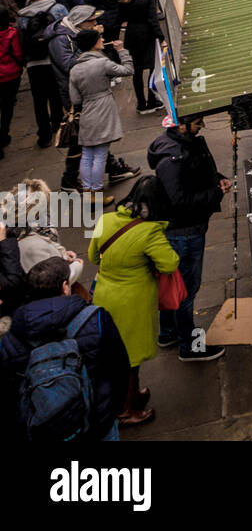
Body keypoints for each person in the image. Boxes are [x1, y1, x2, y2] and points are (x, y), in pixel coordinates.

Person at [0, 256, 130, 441]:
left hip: (45, 428)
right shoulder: (95, 319)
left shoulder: (12, 335)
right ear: (64, 287)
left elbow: (7, 390)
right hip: (97, 420)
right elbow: (118, 366)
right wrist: (112, 407)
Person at [87, 176, 180, 425]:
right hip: (132, 301)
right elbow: (170, 262)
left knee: (118, 355)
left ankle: (133, 395)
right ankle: (125, 410)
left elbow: (93, 256)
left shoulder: (106, 219)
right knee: (129, 358)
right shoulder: (150, 232)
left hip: (104, 295)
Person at [148, 116, 229, 362]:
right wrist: (215, 192)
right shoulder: (172, 158)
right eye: (196, 121)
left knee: (174, 284)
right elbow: (180, 200)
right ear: (180, 125)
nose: (202, 124)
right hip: (184, 231)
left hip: (185, 228)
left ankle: (169, 332)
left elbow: (197, 174)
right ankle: (189, 347)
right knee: (186, 290)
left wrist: (217, 179)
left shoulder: (183, 145)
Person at [70, 30, 133, 203]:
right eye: (100, 38)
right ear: (93, 43)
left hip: (87, 111)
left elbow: (75, 99)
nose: (103, 39)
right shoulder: (102, 63)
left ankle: (88, 191)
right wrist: (122, 51)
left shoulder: (75, 69)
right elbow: (128, 70)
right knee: (100, 154)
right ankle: (96, 193)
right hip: (104, 108)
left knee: (87, 153)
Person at [109, 0, 164, 115]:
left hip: (132, 36)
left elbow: (118, 20)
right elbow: (153, 20)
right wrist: (161, 38)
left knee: (137, 72)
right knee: (153, 68)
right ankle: (153, 101)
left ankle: (141, 103)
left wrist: (114, 38)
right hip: (147, 35)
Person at [17, 0, 66, 148]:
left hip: (34, 62)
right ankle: (58, 124)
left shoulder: (22, 17)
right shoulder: (57, 8)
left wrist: (25, 60)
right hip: (53, 57)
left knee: (39, 99)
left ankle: (44, 135)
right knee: (55, 94)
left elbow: (21, 39)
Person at [12, 180, 86, 289]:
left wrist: (62, 254)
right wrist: (77, 267)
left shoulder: (32, 230)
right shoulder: (30, 245)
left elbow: (47, 246)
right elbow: (51, 283)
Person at [0, 10, 22, 160]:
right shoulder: (11, 33)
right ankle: (3, 133)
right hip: (10, 75)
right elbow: (18, 53)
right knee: (7, 107)